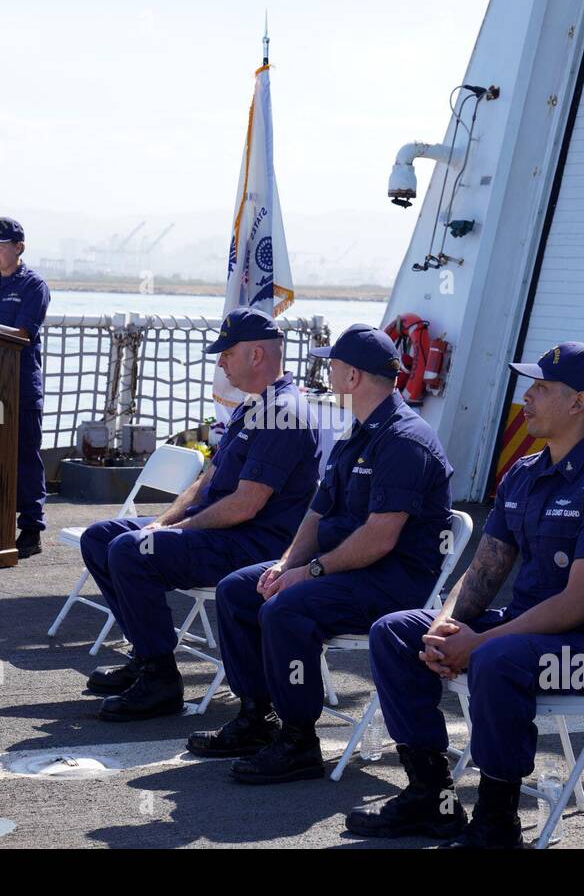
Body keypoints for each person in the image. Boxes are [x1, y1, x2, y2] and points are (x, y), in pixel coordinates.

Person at [346, 342, 584, 848]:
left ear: (580, 403)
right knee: (397, 632)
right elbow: (484, 570)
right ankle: (430, 795)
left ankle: (495, 822)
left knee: (497, 659)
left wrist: (479, 644)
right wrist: (444, 625)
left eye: (541, 388)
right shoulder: (524, 473)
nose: (526, 397)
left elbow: (580, 604)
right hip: (530, 631)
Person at [187, 323, 454, 784]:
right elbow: (317, 512)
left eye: (331, 367)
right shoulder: (360, 433)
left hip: (392, 580)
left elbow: (380, 539)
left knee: (286, 609)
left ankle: (298, 740)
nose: (326, 376)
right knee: (239, 590)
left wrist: (309, 572)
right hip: (346, 569)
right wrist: (286, 563)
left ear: (352, 377)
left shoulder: (404, 441)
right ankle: (257, 717)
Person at [79, 307, 320, 721]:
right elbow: (205, 481)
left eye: (227, 352)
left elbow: (246, 504)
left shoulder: (283, 414)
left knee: (131, 551)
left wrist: (175, 532)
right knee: (100, 537)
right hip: (215, 530)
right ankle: (146, 652)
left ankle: (160, 680)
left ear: (256, 355)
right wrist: (163, 524)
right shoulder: (252, 407)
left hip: (251, 544)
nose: (220, 361)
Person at [0, 217, 52, 558]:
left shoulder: (35, 286)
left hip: (20, 386)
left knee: (25, 457)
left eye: (0, 245)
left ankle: (32, 528)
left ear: (19, 248)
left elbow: (24, 334)